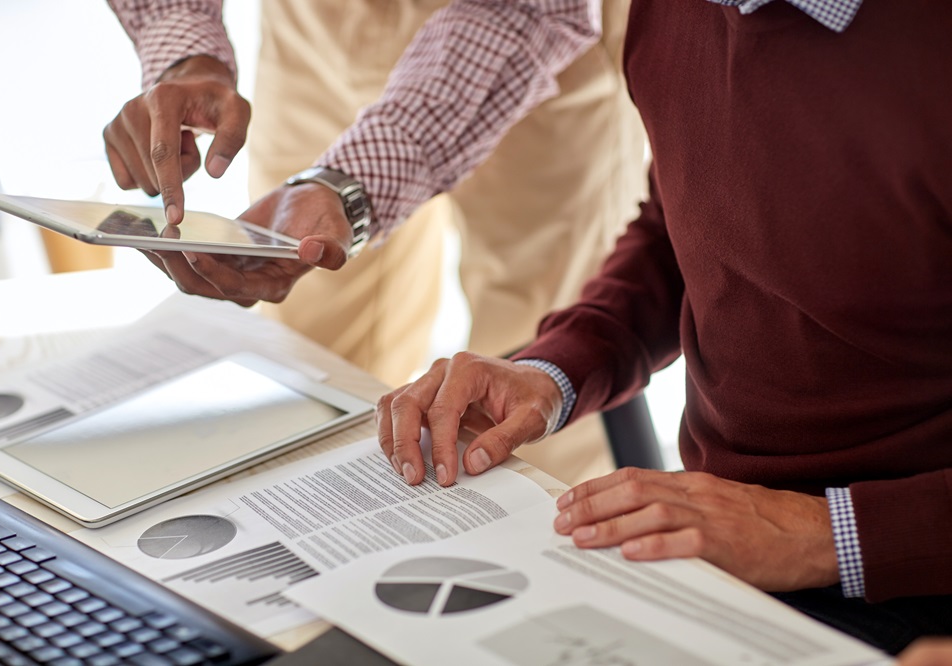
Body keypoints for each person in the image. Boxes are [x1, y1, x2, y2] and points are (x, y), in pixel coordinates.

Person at [374, 0, 952, 657]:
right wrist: (554, 369)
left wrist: (827, 534)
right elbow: (681, 228)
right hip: (719, 540)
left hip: (910, 584)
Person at [104, 0, 648, 487]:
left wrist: (349, 187)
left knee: (532, 379)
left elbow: (527, 10)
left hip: (537, 43)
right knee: (313, 367)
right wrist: (187, 52)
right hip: (318, 30)